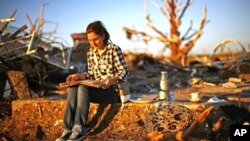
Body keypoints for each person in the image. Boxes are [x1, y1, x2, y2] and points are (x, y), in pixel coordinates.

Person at [56, 20, 129, 141]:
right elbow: (91, 74)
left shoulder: (114, 49)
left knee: (83, 88)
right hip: (96, 89)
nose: (93, 43)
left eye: (95, 39)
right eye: (90, 40)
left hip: (112, 91)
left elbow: (124, 72)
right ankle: (67, 129)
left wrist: (111, 80)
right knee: (74, 87)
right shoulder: (90, 52)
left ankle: (80, 129)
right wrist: (80, 76)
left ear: (103, 35)